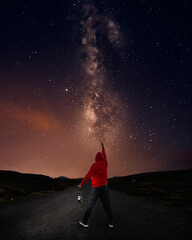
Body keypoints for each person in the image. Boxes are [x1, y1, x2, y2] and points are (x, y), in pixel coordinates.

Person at [78, 142, 113, 228]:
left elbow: (88, 176)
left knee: (91, 204)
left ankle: (85, 221)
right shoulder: (105, 163)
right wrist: (103, 146)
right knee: (107, 205)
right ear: (102, 157)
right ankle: (111, 222)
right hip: (104, 187)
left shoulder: (94, 165)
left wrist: (81, 184)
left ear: (96, 158)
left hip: (96, 187)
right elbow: (104, 154)